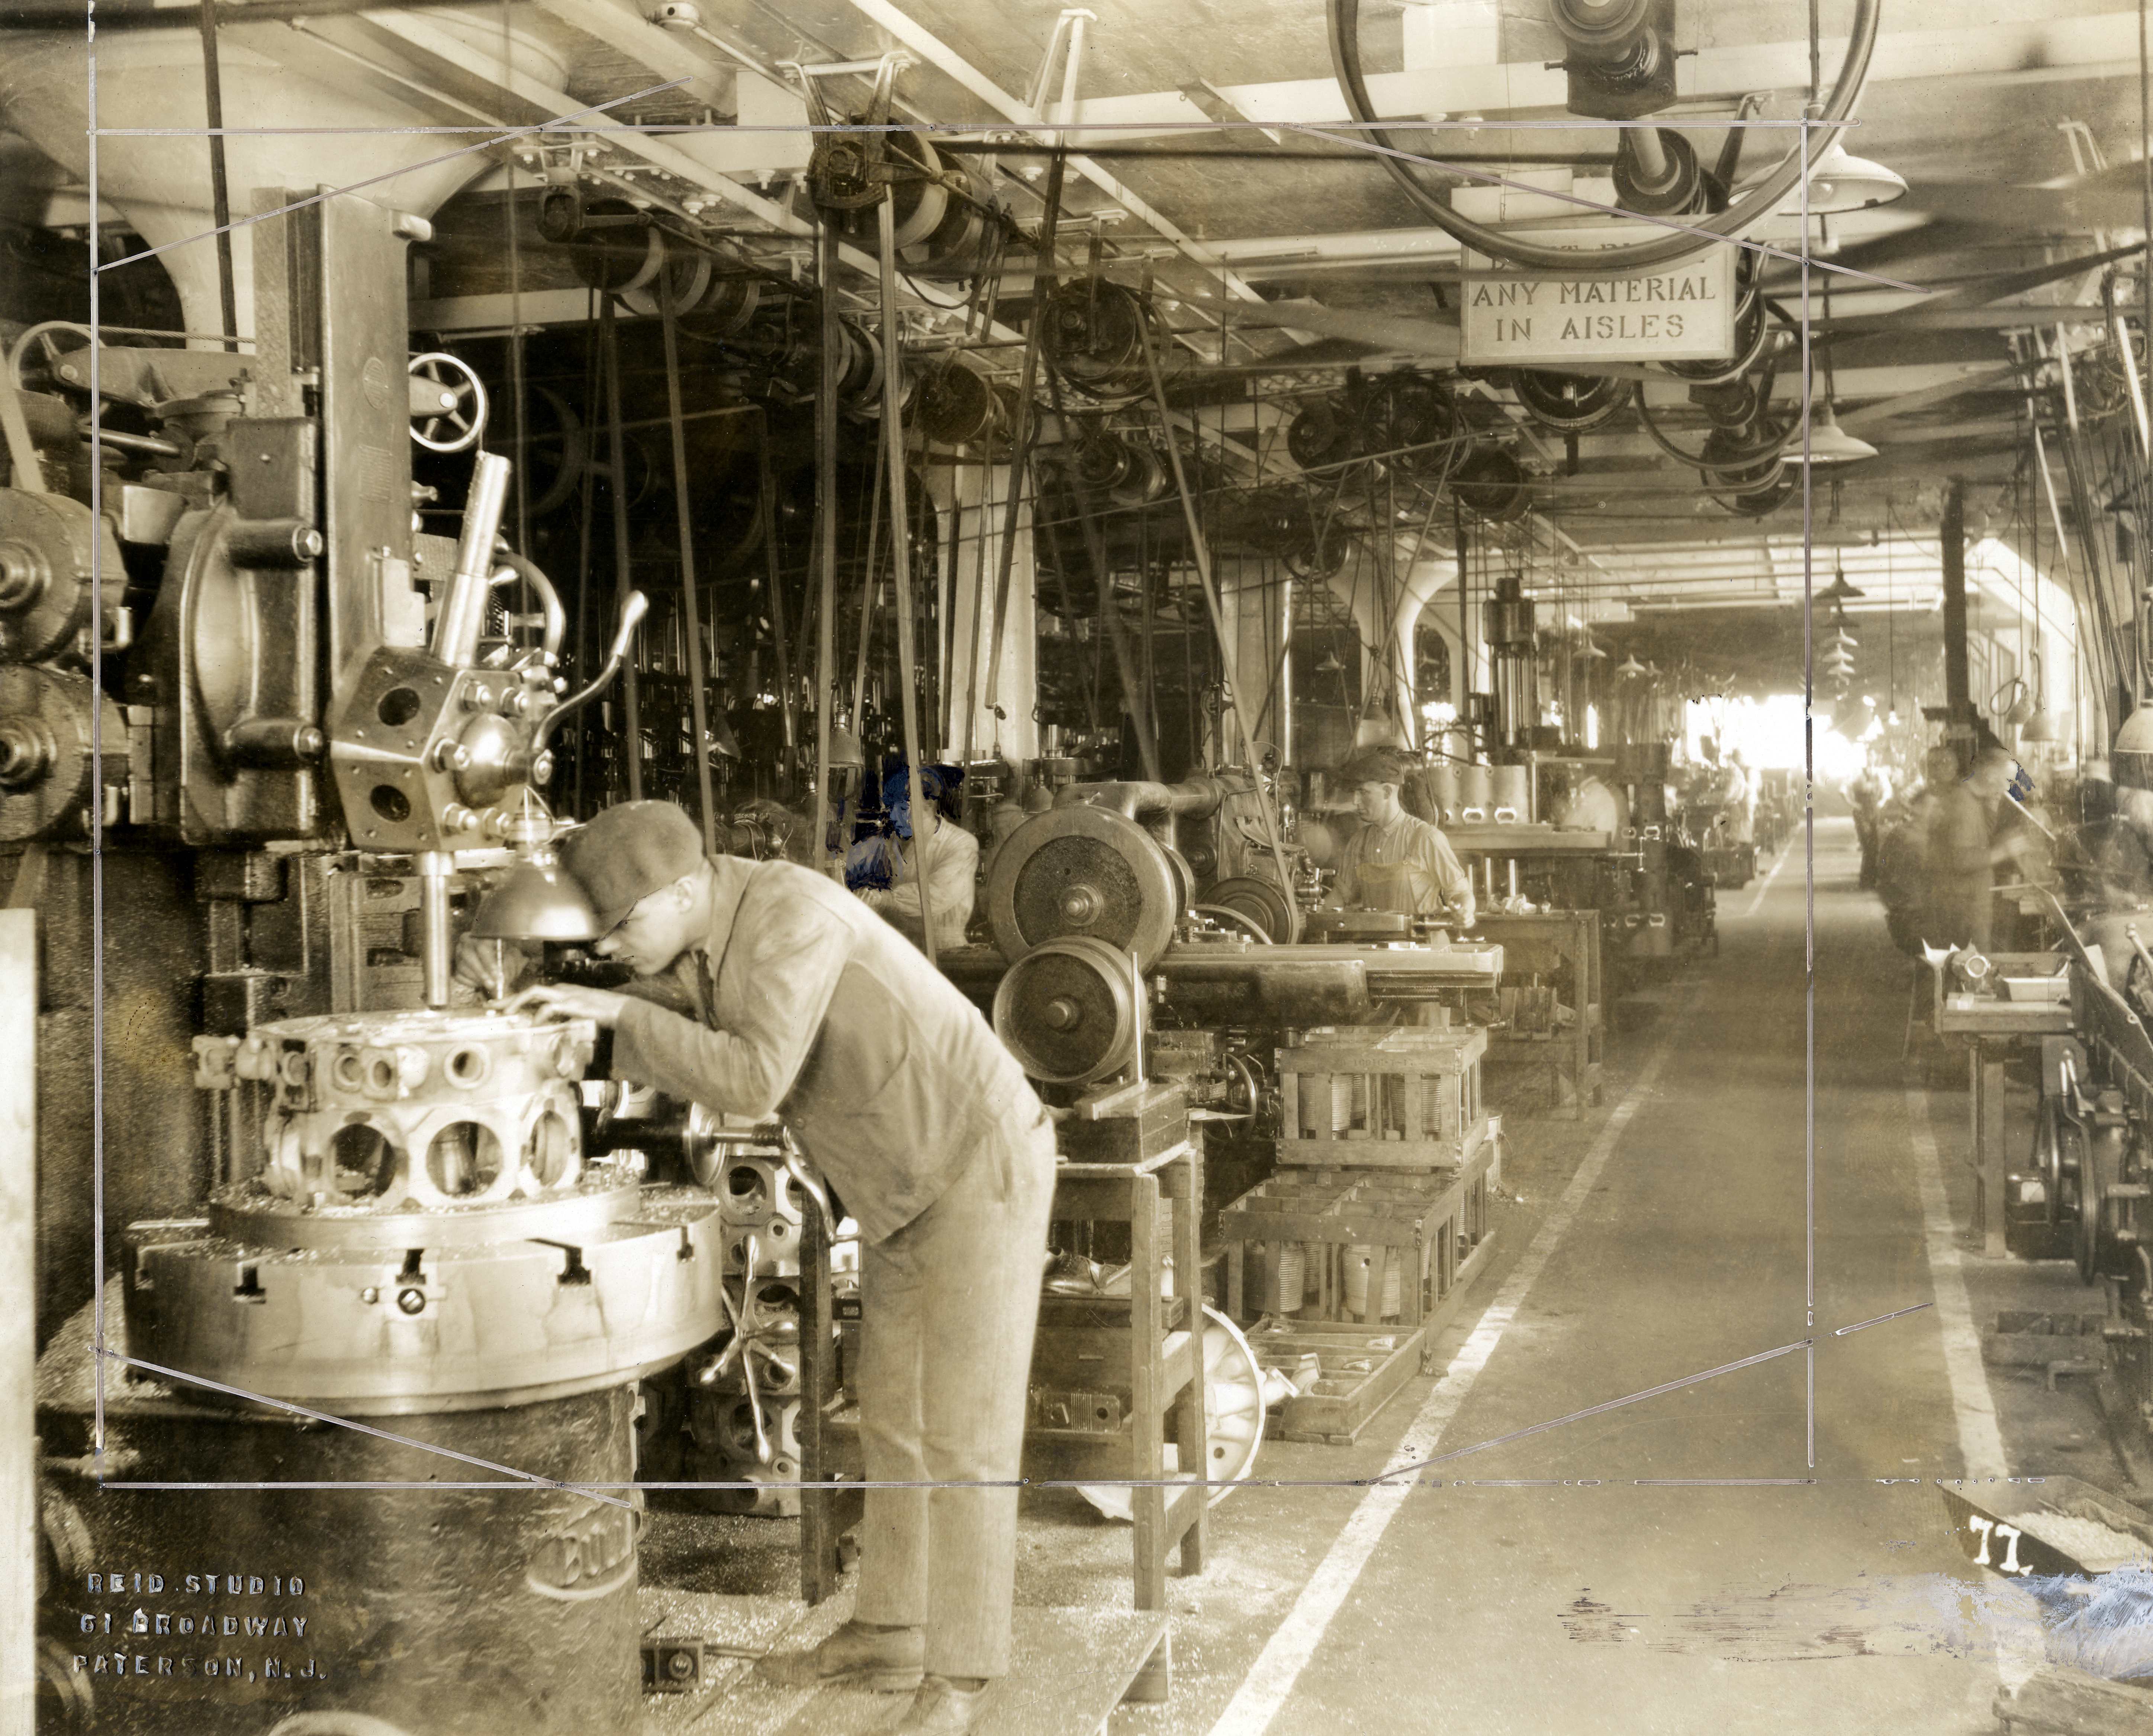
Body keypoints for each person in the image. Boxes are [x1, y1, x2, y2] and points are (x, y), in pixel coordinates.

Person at [495, 801, 1053, 1736]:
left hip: (976, 1167)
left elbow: (755, 1076)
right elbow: (712, 1000)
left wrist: (617, 1015)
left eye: (624, 924)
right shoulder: (715, 920)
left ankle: (962, 1674)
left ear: (681, 890)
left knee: (965, 1436)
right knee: (893, 1419)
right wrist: (587, 1001)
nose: (616, 946)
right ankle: (893, 1624)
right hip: (898, 1183)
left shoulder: (790, 911)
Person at [1326, 748, 1475, 926]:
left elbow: (1460, 893)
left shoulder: (1426, 838)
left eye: (1364, 792)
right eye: (1355, 793)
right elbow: (1341, 895)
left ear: (1388, 792)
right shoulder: (1360, 842)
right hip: (1379, 947)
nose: (1355, 801)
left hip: (1423, 947)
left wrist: (1464, 912)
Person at [846, 763, 978, 953]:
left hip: (946, 950)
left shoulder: (961, 843)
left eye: (901, 807)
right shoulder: (899, 844)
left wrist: (886, 898)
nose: (892, 814)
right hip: (907, 946)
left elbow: (937, 896)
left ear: (929, 804)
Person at [1924, 744, 2027, 952]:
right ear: (1989, 774)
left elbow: (1976, 843)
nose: (2008, 788)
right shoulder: (1964, 805)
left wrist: (1992, 807)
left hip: (1968, 904)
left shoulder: (1973, 799)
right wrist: (2004, 852)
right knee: (1972, 970)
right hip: (1963, 909)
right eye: (2007, 780)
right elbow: (1961, 860)